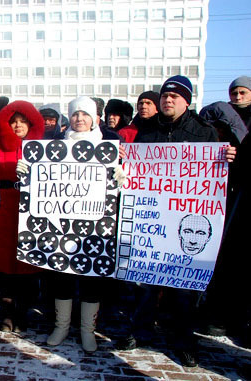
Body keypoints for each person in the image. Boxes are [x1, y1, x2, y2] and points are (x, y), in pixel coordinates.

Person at [117, 75, 236, 367]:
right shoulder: (145, 132)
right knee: (144, 281)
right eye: (165, 96)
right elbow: (133, 173)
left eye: (175, 97)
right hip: (154, 220)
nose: (168, 100)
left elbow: (217, 179)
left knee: (185, 288)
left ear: (187, 101)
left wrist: (228, 158)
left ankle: (183, 341)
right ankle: (141, 330)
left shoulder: (204, 132)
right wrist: (124, 161)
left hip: (188, 219)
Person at [27, 96, 121, 352]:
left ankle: (87, 330)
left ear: (94, 119)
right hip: (62, 222)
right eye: (75, 114)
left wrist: (121, 171)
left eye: (85, 114)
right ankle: (62, 326)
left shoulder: (109, 144)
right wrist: (28, 169)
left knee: (92, 277)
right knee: (61, 274)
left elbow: (125, 182)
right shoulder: (56, 144)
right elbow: (41, 177)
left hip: (95, 224)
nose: (80, 119)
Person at [0, 100, 44, 333]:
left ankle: (23, 310)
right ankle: (7, 311)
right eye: (13, 121)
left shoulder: (43, 148)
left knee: (27, 262)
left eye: (22, 121)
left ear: (31, 123)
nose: (17, 126)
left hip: (31, 209)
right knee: (5, 262)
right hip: (4, 208)